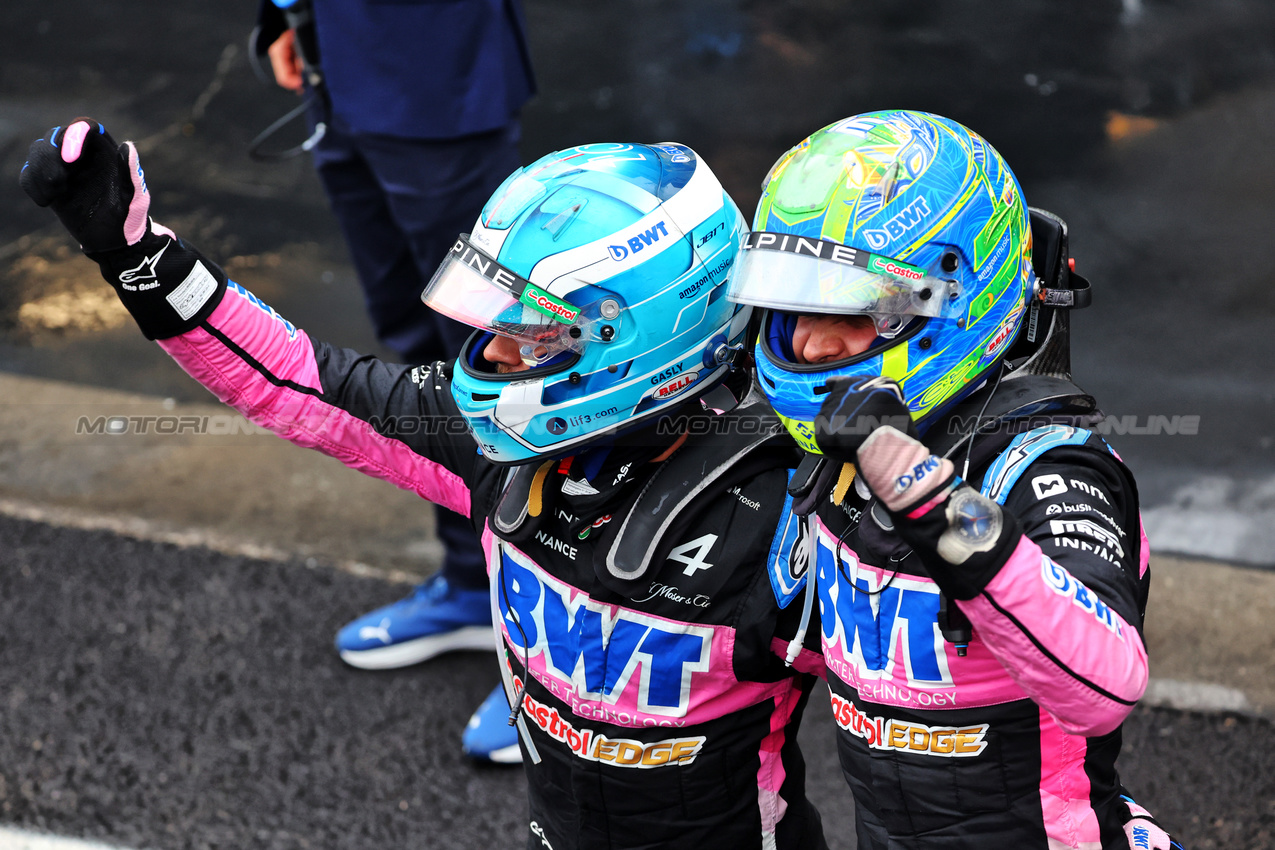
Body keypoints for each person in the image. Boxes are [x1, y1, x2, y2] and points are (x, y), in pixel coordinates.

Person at [21, 124, 830, 849]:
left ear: (640, 339)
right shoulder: (499, 446)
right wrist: (140, 261)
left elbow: (936, 748)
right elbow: (295, 381)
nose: (492, 356)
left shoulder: (797, 509)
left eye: (527, 338)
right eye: (494, 326)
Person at [726, 109, 1183, 849]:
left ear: (948, 301)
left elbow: (1109, 684)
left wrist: (930, 503)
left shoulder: (1049, 464)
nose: (808, 343)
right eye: (793, 309)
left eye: (850, 312)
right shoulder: (829, 451)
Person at [253, 0, 537, 760]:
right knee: (414, 346)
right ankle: (472, 581)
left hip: (431, 63)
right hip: (333, 56)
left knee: (499, 361)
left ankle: (552, 651)